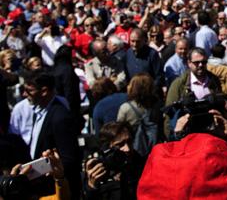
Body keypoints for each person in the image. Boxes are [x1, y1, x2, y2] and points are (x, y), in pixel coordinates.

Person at [21, 69, 82, 199]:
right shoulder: (39, 112)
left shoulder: (60, 117)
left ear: (44, 91)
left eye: (29, 91)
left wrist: (40, 170)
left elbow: (69, 159)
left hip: (56, 189)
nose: (24, 94)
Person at [164, 48, 223, 137]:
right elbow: (170, 113)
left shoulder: (214, 81)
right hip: (187, 134)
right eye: (196, 62)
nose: (200, 65)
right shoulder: (179, 84)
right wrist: (170, 137)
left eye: (203, 62)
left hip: (210, 133)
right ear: (189, 63)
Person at [84, 121, 145, 200]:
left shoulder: (140, 163)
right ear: (107, 147)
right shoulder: (97, 169)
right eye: (120, 144)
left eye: (129, 142)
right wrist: (92, 186)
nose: (127, 149)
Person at [124, 28, 164, 92]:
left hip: (149, 93)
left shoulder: (152, 54)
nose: (135, 44)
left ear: (144, 40)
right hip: (134, 93)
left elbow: (159, 77)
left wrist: (150, 89)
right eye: (132, 41)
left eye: (138, 41)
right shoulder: (128, 53)